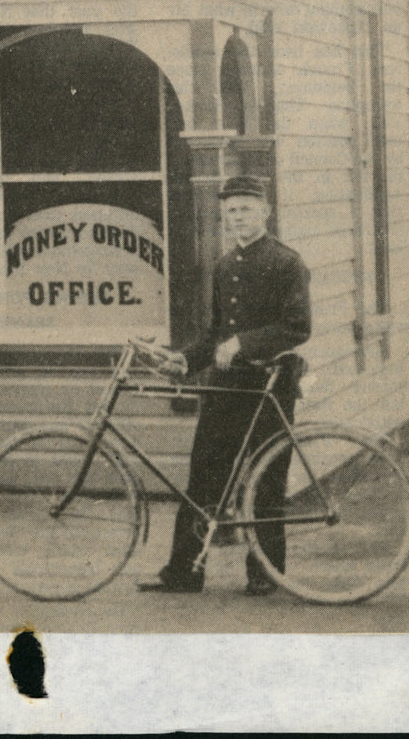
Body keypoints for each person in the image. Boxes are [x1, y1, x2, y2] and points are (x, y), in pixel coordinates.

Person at [140, 176, 310, 597]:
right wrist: (185, 359)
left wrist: (244, 343)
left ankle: (265, 573)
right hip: (226, 388)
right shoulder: (224, 265)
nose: (237, 217)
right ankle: (183, 572)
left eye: (246, 209)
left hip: (270, 385)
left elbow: (297, 327)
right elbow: (214, 332)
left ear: (265, 212)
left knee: (267, 480)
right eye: (231, 210)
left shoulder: (288, 263)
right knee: (204, 478)